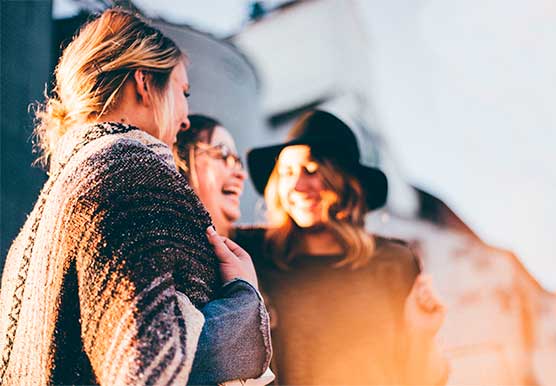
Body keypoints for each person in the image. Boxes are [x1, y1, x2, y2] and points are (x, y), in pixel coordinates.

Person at [0, 9, 271, 386]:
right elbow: (151, 362)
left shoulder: (37, 224)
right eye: (183, 92)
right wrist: (244, 299)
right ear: (144, 83)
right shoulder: (132, 170)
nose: (187, 117)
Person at [232, 109, 449, 385]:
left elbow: (421, 378)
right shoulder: (253, 253)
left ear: (343, 182)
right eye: (287, 172)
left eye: (311, 171)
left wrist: (423, 333)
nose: (298, 186)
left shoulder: (394, 261)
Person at [173, 114, 246, 238]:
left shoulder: (266, 251)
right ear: (181, 160)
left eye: (238, 161)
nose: (241, 174)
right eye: (223, 153)